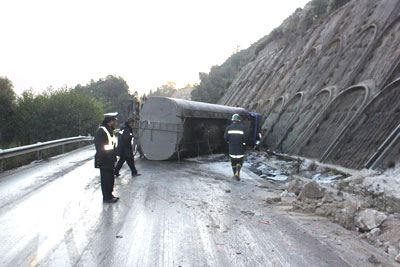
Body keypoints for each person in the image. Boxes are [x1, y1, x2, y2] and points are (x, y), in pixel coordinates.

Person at [95, 112, 119, 203]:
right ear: (110, 121)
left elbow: (111, 145)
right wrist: (105, 158)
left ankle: (110, 194)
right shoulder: (102, 131)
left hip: (110, 159)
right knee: (106, 179)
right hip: (104, 160)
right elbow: (100, 147)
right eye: (114, 120)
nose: (115, 122)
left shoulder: (109, 130)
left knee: (110, 179)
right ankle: (106, 197)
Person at [224, 114, 246, 181]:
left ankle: (234, 174)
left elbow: (225, 138)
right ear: (239, 120)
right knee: (239, 161)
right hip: (240, 148)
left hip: (232, 148)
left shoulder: (228, 128)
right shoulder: (243, 128)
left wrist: (229, 141)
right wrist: (244, 143)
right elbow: (245, 138)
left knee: (233, 162)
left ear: (232, 120)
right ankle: (237, 173)